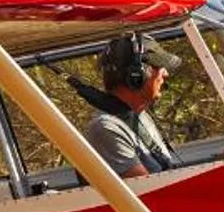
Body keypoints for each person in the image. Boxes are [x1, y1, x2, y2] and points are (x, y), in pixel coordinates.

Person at [76, 35, 178, 178]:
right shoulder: (105, 128)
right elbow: (148, 191)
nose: (165, 74)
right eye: (158, 67)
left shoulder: (140, 116)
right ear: (136, 76)